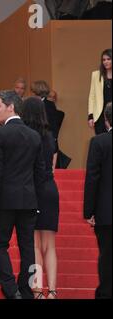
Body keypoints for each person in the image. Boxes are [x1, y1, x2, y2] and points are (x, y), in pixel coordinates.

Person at [0, 90, 45, 299]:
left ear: (11, 107)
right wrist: (37, 201)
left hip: (4, 201)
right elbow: (40, 173)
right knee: (28, 247)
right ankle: (26, 290)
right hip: (29, 200)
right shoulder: (34, 135)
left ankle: (11, 290)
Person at [21, 97, 60, 299]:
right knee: (50, 245)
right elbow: (51, 165)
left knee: (34, 244)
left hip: (32, 190)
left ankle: (36, 290)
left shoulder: (26, 136)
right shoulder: (49, 136)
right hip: (50, 189)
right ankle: (52, 291)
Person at [84, 102, 112, 299]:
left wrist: (89, 211)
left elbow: (92, 178)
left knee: (107, 256)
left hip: (106, 211)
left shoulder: (99, 142)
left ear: (106, 120)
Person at [88, 48, 112, 135]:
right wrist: (90, 116)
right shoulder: (96, 75)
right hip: (100, 115)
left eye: (108, 59)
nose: (105, 62)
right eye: (104, 60)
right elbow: (92, 96)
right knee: (101, 142)